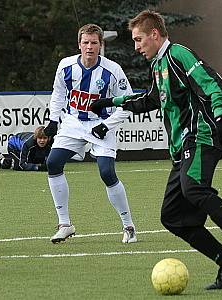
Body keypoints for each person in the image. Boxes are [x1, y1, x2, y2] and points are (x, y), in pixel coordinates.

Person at [90, 10, 222, 289]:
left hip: (201, 136)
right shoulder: (158, 66)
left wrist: (219, 115)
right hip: (181, 147)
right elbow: (151, 99)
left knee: (193, 188)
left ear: (155, 35)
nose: (136, 47)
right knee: (172, 217)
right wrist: (111, 101)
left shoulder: (178, 55)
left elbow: (212, 83)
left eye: (139, 40)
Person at [44, 23, 137, 244]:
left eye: (94, 43)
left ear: (100, 45)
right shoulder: (66, 66)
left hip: (101, 124)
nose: (89, 47)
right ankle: (65, 224)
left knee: (107, 173)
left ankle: (129, 226)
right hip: (74, 123)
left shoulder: (112, 70)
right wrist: (52, 120)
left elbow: (129, 102)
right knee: (53, 163)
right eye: (85, 42)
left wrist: (107, 125)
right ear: (79, 44)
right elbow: (58, 94)